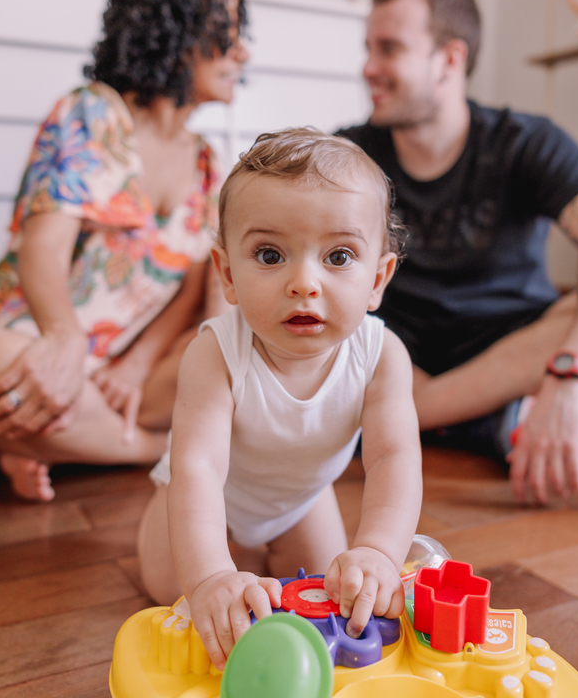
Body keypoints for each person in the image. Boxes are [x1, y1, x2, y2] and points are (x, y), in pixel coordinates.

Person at [0, 0, 249, 502]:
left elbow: (193, 289)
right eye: (225, 31)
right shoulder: (90, 114)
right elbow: (43, 246)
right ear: (174, 28)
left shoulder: (210, 165)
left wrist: (137, 365)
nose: (242, 51)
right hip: (34, 350)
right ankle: (148, 449)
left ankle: (53, 441)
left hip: (120, 383)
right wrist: (63, 340)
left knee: (227, 361)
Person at [338, 0, 578, 505]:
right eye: (367, 49)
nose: (368, 68)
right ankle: (484, 418)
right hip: (395, 356)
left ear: (450, 59)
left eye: (389, 49)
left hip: (510, 349)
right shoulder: (349, 155)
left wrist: (570, 375)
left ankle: (410, 418)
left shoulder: (525, 142)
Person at [135, 129, 422, 667]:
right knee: (172, 593)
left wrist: (378, 551)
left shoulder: (382, 357)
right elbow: (197, 469)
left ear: (378, 279)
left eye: (339, 256)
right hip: (207, 502)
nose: (304, 283)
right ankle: (222, 560)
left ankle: (257, 557)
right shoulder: (214, 354)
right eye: (270, 255)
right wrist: (209, 577)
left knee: (334, 598)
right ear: (227, 274)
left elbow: (394, 459)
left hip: (299, 502)